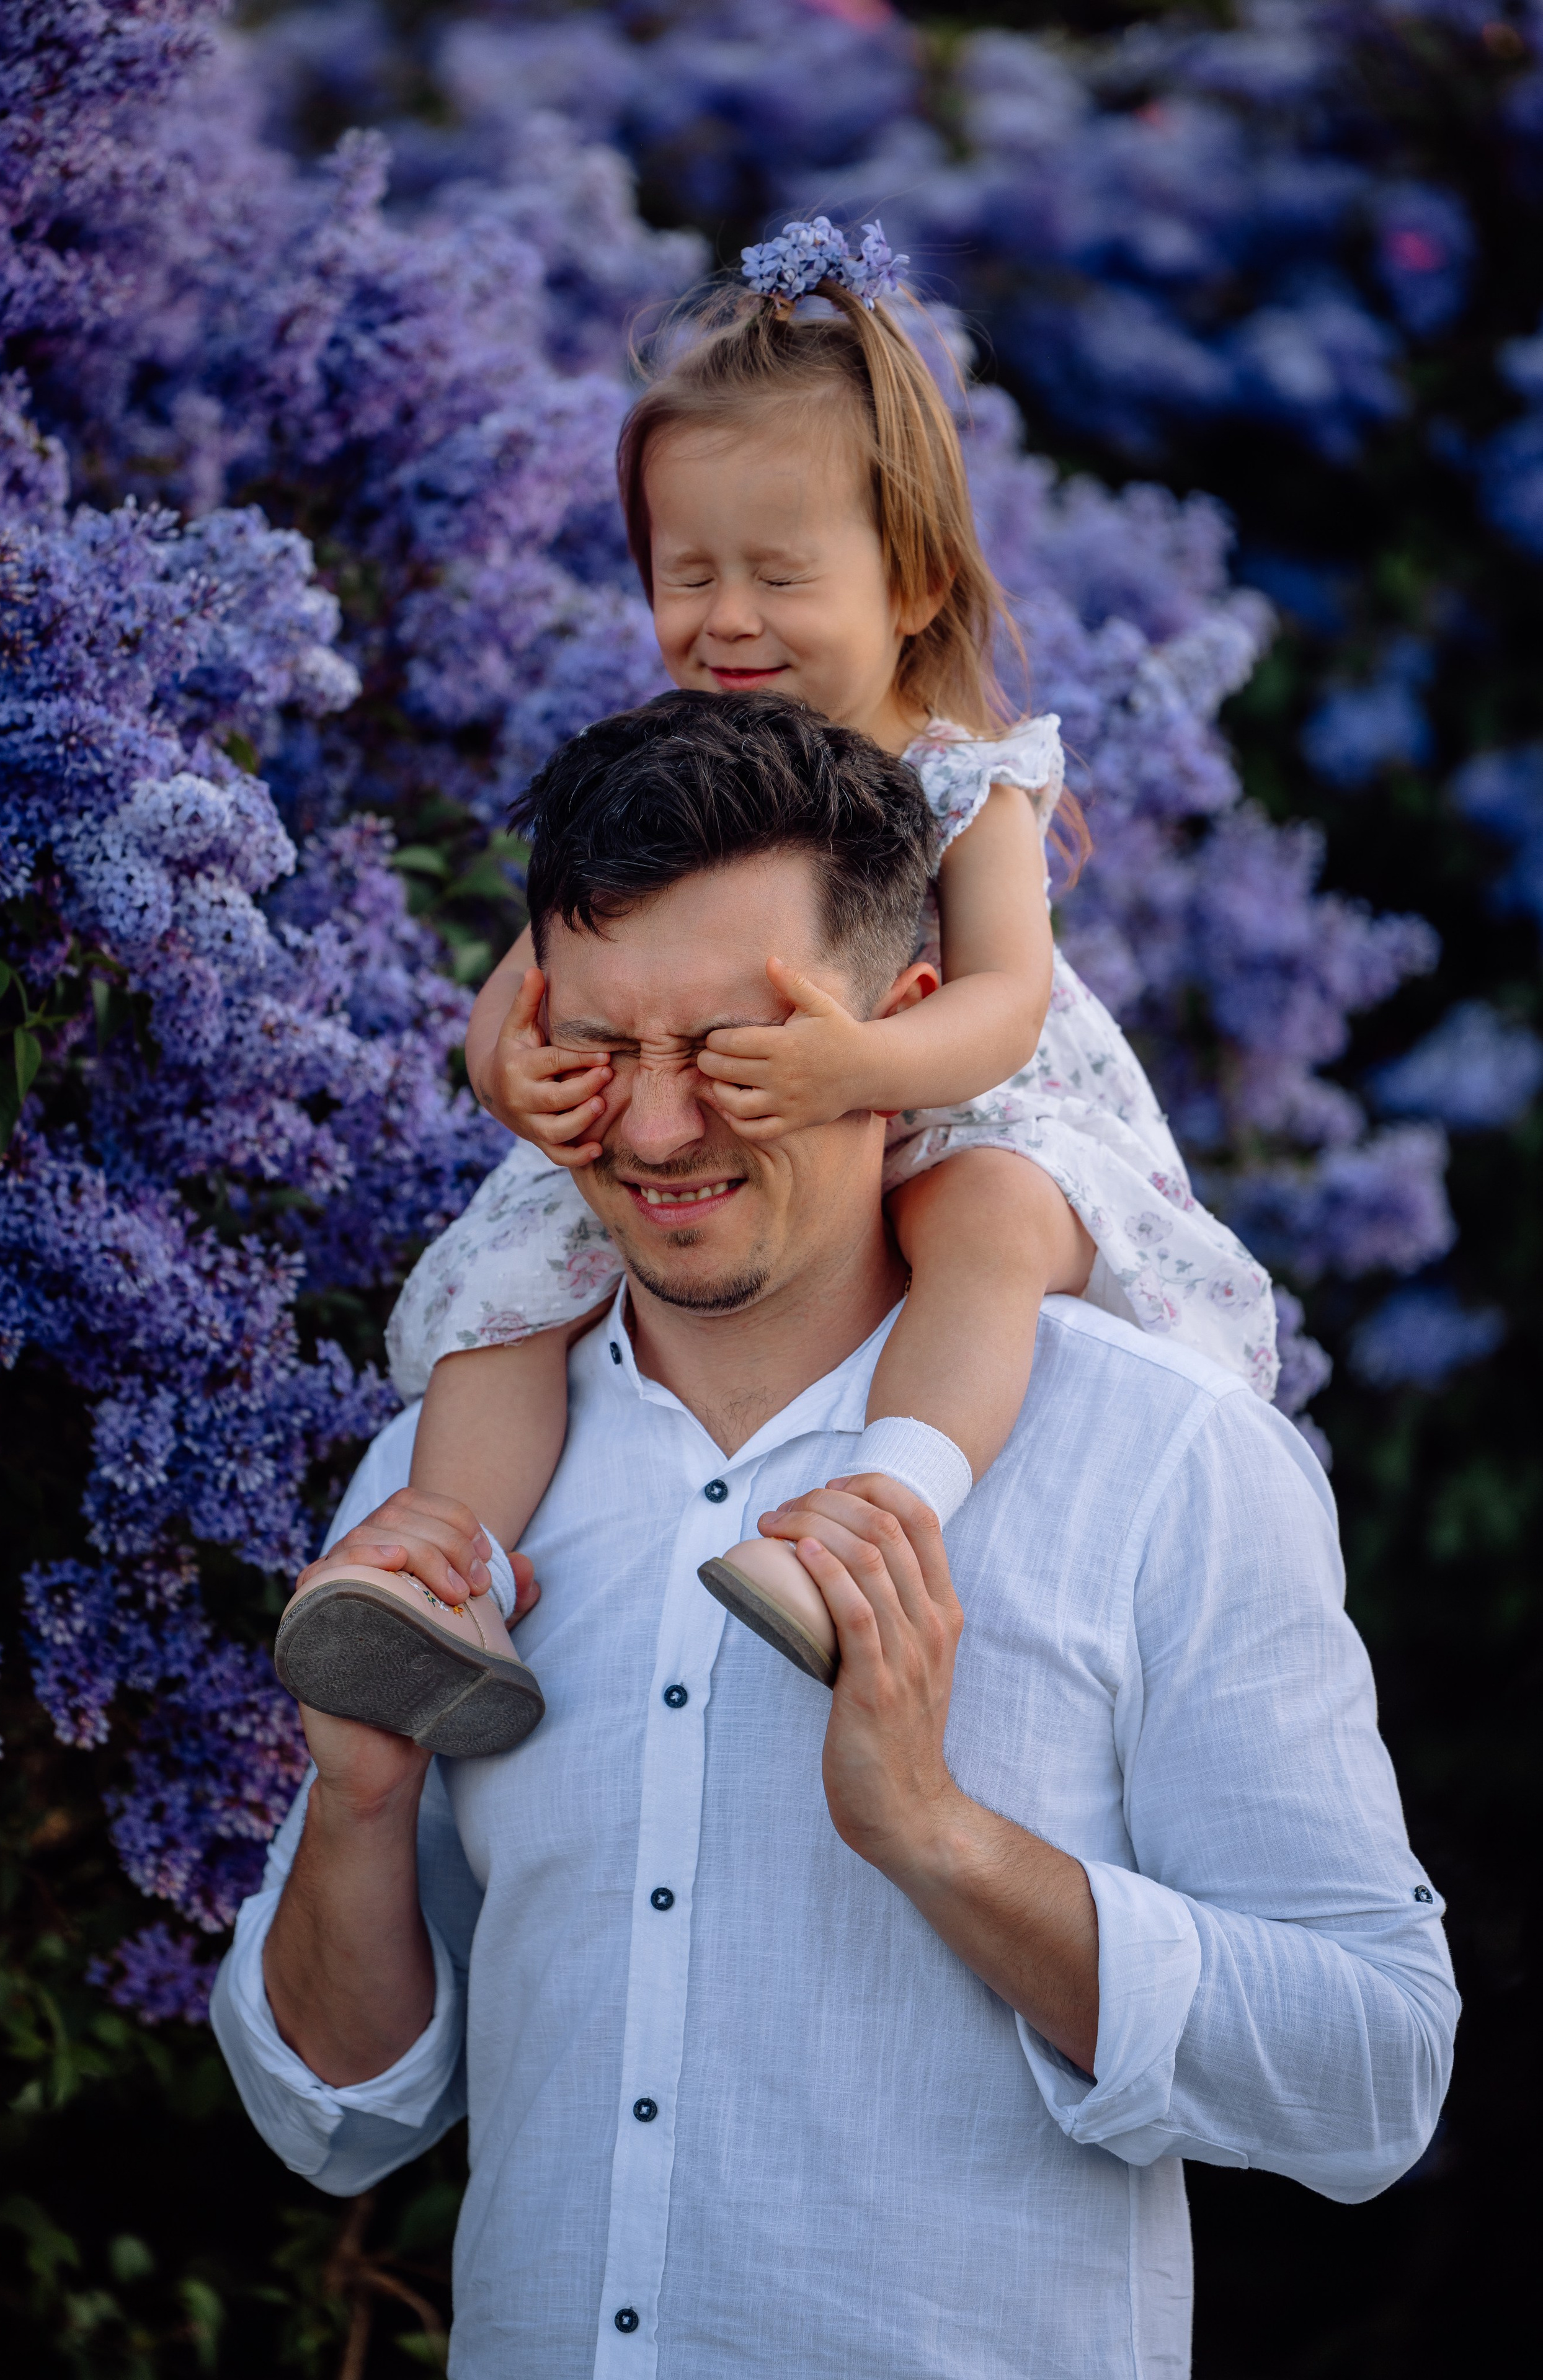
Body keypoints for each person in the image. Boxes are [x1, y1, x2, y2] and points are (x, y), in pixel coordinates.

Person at [215, 692, 1456, 2379]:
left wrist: (943, 1837)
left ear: (907, 1023)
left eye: (733, 1054)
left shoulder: (1167, 1456)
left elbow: (1374, 2073)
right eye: (597, 1053)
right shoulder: (436, 1491)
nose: (654, 1133)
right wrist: (361, 1805)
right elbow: (329, 2120)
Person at [275, 221, 1274, 1750]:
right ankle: (438, 1569)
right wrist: (515, 1077)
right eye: (686, 575)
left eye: (779, 576)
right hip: (718, 1104)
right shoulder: (673, 772)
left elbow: (1003, 1001)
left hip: (953, 1099)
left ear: (917, 576)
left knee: (989, 1218)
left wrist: (852, 1071)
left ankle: (877, 1506)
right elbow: (523, 981)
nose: (724, 620)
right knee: (514, 1278)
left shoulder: (964, 777)